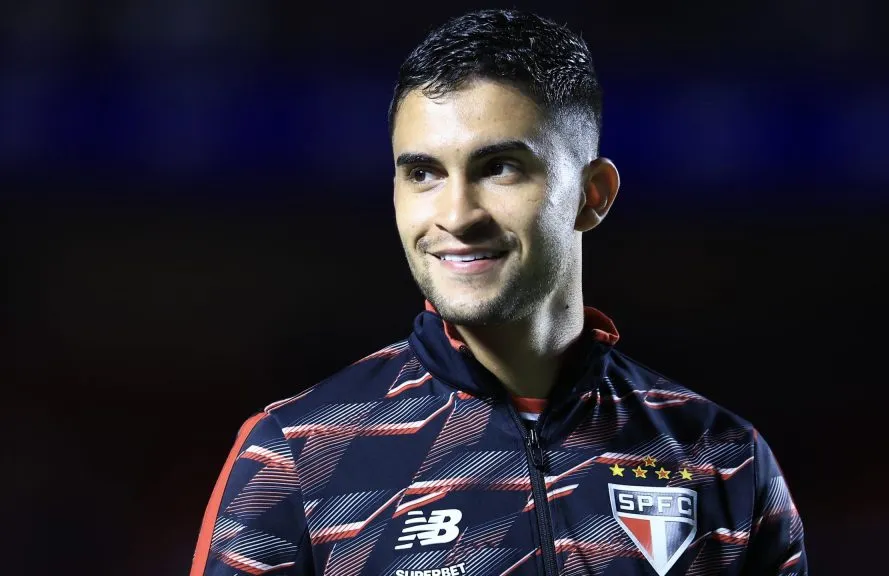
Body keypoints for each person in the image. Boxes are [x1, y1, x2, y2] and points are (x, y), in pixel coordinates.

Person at [190, 8, 807, 576]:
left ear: (593, 195)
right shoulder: (296, 457)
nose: (456, 215)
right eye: (424, 173)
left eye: (500, 168)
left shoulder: (722, 461)